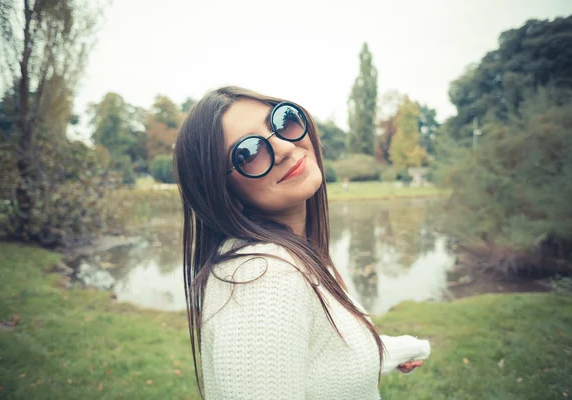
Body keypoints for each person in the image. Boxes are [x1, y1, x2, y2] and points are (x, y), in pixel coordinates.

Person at [174, 86, 430, 400]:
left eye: (282, 122)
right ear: (222, 194)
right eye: (248, 152)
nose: (283, 146)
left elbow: (320, 360)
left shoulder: (292, 258)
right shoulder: (261, 278)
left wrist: (393, 351)